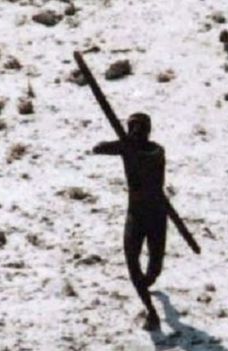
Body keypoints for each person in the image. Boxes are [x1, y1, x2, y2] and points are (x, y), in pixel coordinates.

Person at [92, 112, 167, 331]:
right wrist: (123, 145)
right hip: (136, 215)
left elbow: (147, 156)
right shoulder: (127, 148)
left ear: (147, 132)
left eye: (139, 129)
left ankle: (145, 286)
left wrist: (126, 145)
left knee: (154, 268)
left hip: (155, 215)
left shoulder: (156, 151)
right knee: (133, 263)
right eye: (132, 128)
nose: (136, 133)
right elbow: (99, 148)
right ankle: (150, 310)